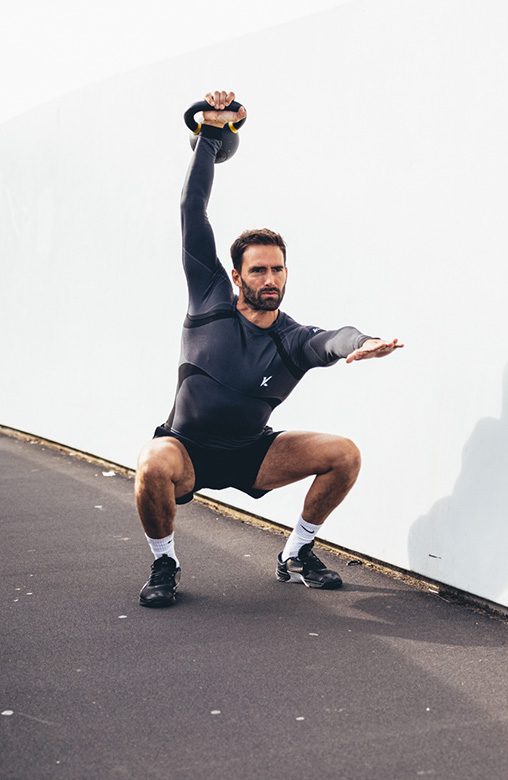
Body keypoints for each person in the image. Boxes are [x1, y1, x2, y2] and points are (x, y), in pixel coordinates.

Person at [136, 90, 402, 607]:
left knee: (344, 454)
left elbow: (333, 339)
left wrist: (365, 342)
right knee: (150, 463)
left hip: (251, 453)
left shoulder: (293, 338)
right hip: (186, 448)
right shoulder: (209, 296)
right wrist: (212, 134)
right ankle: (164, 561)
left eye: (278, 268)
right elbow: (192, 207)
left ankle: (296, 554)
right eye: (258, 269)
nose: (270, 277)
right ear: (237, 276)